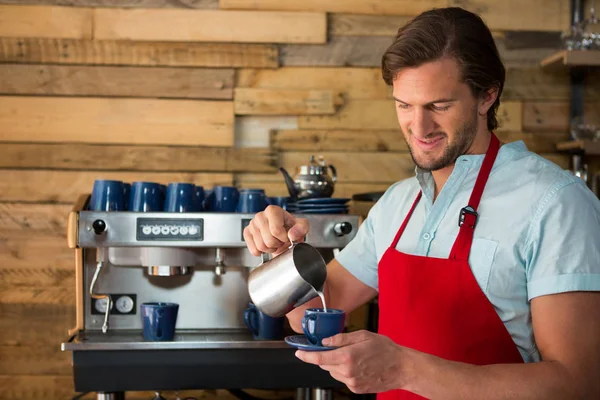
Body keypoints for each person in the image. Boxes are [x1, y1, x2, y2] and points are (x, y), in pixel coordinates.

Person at [243, 7, 600, 400]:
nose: (419, 127)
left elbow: (577, 383)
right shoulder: (398, 204)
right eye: (404, 105)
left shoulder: (556, 204)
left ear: (487, 95)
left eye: (439, 106)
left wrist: (403, 368)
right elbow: (307, 316)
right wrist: (283, 254)